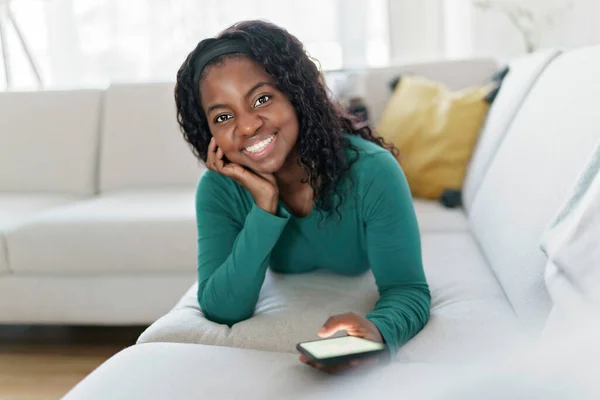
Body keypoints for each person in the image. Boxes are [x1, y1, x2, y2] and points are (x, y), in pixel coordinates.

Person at [174, 20, 430, 373]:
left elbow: (408, 289)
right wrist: (264, 206)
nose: (247, 126)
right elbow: (222, 309)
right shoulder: (219, 189)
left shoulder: (374, 172)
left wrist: (376, 330)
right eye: (223, 116)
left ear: (296, 94)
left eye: (262, 99)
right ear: (210, 133)